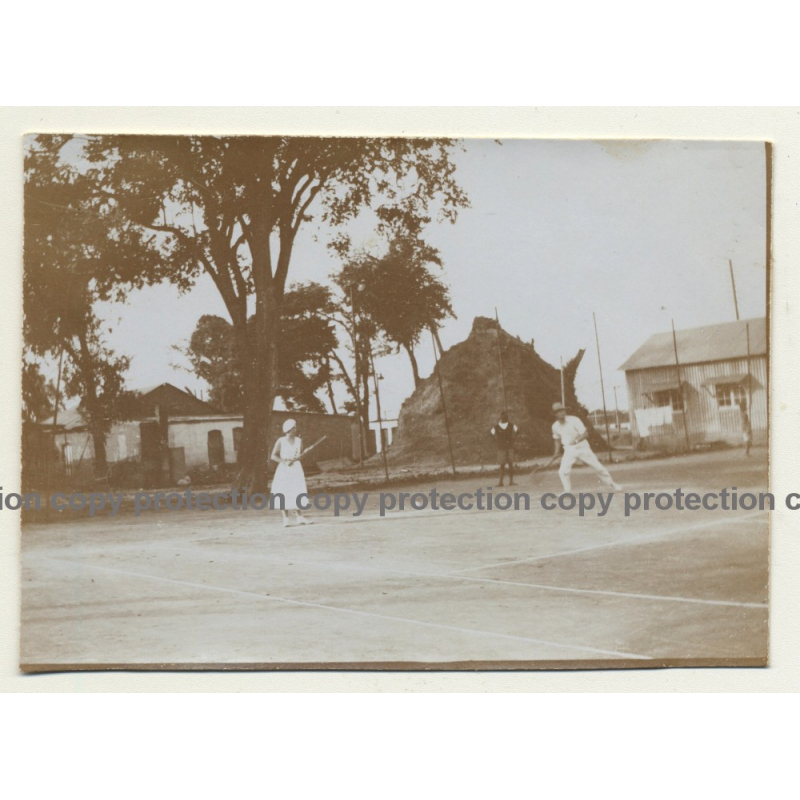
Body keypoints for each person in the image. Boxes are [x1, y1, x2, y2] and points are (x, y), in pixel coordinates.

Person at [550, 402, 622, 493]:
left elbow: (585, 434)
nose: (562, 412)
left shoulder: (574, 420)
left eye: (563, 410)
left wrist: (576, 441)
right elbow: (557, 440)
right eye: (559, 411)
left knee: (598, 468)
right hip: (569, 450)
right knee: (562, 472)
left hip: (582, 447)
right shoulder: (555, 426)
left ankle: (613, 484)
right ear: (555, 414)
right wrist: (556, 452)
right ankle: (567, 491)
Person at [270, 419, 313, 527]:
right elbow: (273, 456)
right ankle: (286, 519)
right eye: (293, 427)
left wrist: (305, 453)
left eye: (295, 427)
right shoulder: (281, 440)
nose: (295, 429)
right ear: (288, 429)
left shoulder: (299, 440)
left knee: (297, 490)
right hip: (284, 468)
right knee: (284, 490)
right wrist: (284, 462)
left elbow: (300, 456)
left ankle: (300, 517)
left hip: (296, 468)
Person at [490, 411, 519, 487]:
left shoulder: (510, 425)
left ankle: (509, 481)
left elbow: (517, 431)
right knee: (503, 465)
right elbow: (491, 433)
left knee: (509, 464)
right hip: (502, 448)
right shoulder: (497, 426)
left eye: (506, 416)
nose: (505, 418)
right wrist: (497, 440)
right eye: (504, 416)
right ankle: (501, 482)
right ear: (501, 417)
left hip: (508, 447)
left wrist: (513, 438)